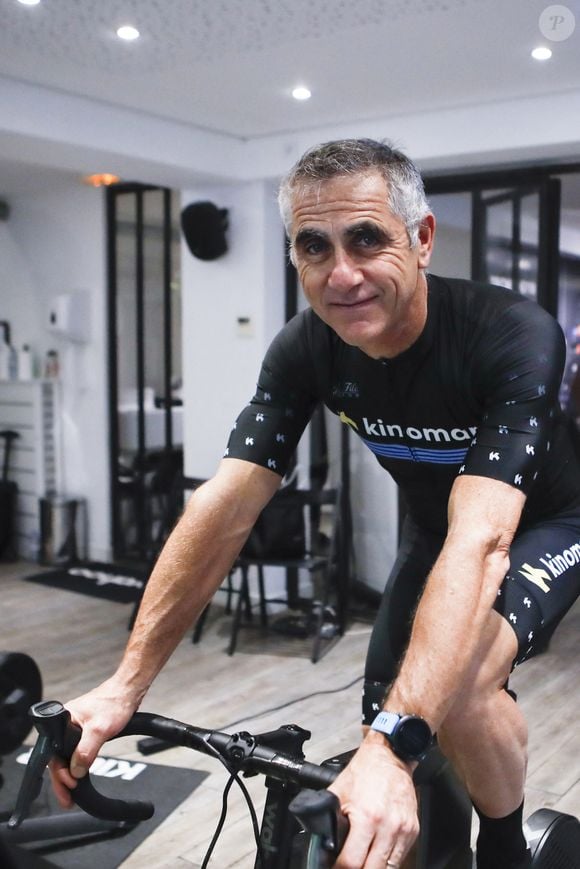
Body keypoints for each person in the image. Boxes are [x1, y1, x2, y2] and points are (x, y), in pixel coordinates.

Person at [51, 139, 580, 869]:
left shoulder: (511, 333)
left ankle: (503, 849)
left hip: (546, 522)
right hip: (434, 527)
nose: (343, 274)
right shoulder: (307, 347)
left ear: (421, 239)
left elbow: (484, 541)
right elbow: (226, 505)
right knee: (387, 701)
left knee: (450, 692)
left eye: (367, 239)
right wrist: (124, 683)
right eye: (313, 247)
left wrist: (394, 743)